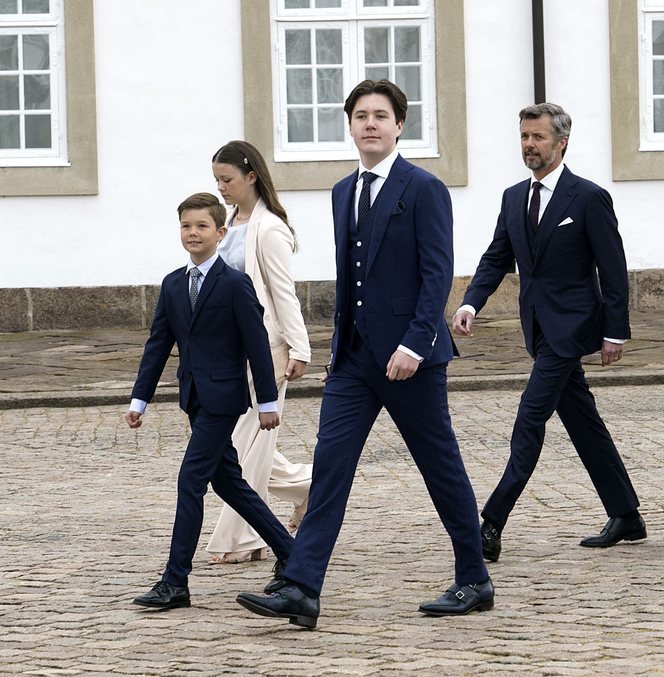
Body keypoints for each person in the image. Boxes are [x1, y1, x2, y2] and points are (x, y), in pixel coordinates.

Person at [235, 80, 491, 629]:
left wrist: (414, 344)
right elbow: (350, 277)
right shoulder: (340, 191)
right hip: (352, 360)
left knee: (439, 467)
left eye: (381, 116)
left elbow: (436, 273)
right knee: (330, 469)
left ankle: (474, 578)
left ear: (400, 125)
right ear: (349, 126)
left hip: (410, 360)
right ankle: (303, 587)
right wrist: (335, 352)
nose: (370, 124)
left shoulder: (423, 188)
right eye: (360, 116)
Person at [453, 103, 644, 562]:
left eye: (537, 137)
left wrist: (615, 331)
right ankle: (626, 514)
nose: (528, 145)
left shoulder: (588, 197)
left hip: (573, 328)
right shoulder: (513, 196)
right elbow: (498, 256)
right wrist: (470, 302)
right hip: (537, 327)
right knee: (583, 422)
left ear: (561, 143)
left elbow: (612, 270)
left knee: (529, 418)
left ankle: (491, 521)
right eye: (523, 137)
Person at [127, 193, 293, 610]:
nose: (193, 233)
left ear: (220, 233)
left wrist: (268, 403)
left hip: (225, 399)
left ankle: (175, 582)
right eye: (186, 226)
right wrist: (140, 398)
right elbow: (158, 345)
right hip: (194, 398)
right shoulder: (172, 284)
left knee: (191, 480)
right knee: (229, 483)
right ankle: (292, 553)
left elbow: (257, 345)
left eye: (202, 226)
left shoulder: (236, 283)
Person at [205, 140, 313, 565]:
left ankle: (242, 537)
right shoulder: (228, 223)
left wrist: (299, 348)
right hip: (228, 350)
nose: (221, 188)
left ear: (251, 176)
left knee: (245, 444)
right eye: (216, 180)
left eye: (227, 179)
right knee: (234, 442)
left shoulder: (269, 230)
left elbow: (284, 294)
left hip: (266, 349)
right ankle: (310, 485)